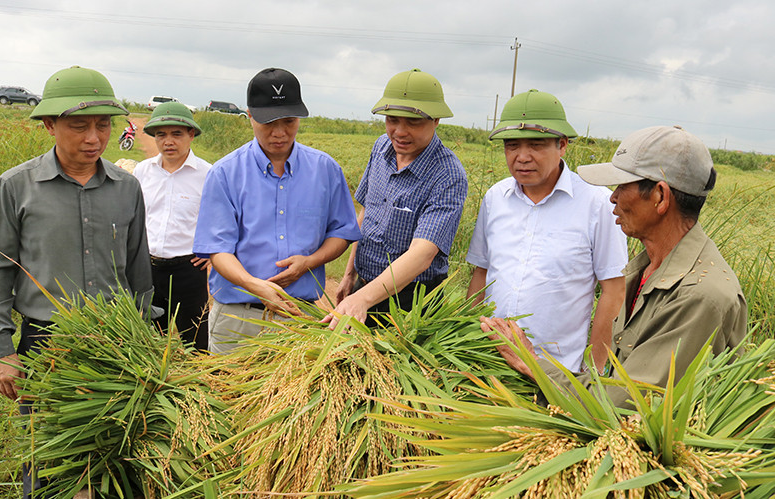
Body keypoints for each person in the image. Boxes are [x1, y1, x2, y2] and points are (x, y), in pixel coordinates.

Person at [0, 65, 154, 498]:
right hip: (46, 345)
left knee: (118, 459)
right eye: (79, 126)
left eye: (103, 125)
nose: (94, 138)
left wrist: (148, 338)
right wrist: (2, 351)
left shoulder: (127, 188)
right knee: (47, 461)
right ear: (49, 125)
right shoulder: (15, 187)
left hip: (118, 344)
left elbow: (138, 274)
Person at [483, 125, 747, 407]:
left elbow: (626, 402)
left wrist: (532, 364)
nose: (613, 197)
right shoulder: (649, 267)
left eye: (623, 186)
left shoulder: (699, 295)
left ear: (660, 196)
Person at [193, 67, 361, 353]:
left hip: (298, 316)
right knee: (228, 396)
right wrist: (253, 284)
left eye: (289, 121)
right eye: (268, 122)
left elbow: (342, 233)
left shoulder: (325, 170)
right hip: (237, 319)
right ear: (250, 116)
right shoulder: (225, 173)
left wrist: (309, 262)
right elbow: (217, 249)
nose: (280, 132)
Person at [466, 89, 627, 372]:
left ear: (562, 145)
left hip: (556, 372)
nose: (522, 157)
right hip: (487, 359)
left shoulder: (597, 203)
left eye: (536, 145)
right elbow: (482, 272)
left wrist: (596, 373)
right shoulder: (495, 198)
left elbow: (613, 291)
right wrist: (464, 340)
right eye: (512, 145)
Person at [327, 69, 468, 328]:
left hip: (411, 304)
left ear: (436, 120)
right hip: (365, 288)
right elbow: (366, 214)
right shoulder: (381, 147)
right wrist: (349, 276)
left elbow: (422, 254)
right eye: (392, 119)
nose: (400, 132)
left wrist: (362, 298)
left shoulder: (447, 175)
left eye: (413, 122)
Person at [133, 102, 211, 350]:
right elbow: (134, 217)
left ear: (191, 135)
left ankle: (199, 386)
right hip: (149, 269)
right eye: (161, 134)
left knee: (197, 340)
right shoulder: (143, 171)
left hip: (189, 269)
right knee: (150, 342)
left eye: (177, 134)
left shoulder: (208, 174)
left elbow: (221, 219)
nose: (168, 141)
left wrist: (212, 252)